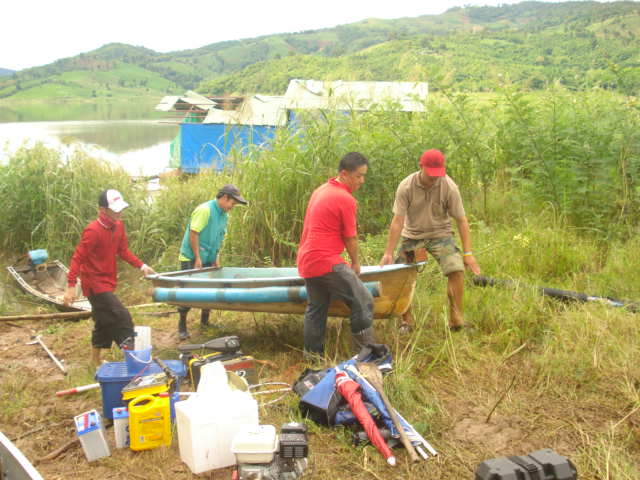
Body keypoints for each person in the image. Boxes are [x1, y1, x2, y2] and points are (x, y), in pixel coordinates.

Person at [380, 149, 481, 332]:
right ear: (421, 167)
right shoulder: (406, 186)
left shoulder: (449, 186)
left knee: (456, 270)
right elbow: (397, 222)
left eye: (437, 174)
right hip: (413, 235)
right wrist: (388, 252)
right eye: (430, 174)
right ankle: (407, 321)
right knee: (402, 273)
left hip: (441, 235)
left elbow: (461, 220)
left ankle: (456, 319)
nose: (434, 178)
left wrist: (468, 253)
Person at [63, 189, 156, 366]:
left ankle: (94, 361)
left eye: (120, 209)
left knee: (102, 321)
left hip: (108, 280)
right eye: (115, 210)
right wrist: (71, 285)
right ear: (102, 210)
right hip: (94, 285)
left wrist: (142, 266)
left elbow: (123, 251)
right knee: (122, 317)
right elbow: (78, 257)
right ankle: (133, 360)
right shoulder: (93, 231)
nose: (119, 213)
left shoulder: (118, 226)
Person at [297, 152, 376, 358]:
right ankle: (365, 357)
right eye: (358, 176)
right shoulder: (345, 198)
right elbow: (350, 237)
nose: (362, 181)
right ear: (344, 173)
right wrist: (356, 263)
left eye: (364, 176)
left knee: (317, 307)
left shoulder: (322, 189)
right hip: (325, 260)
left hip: (308, 259)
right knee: (363, 300)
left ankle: (312, 358)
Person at [177, 184, 247, 340]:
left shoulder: (224, 215)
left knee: (209, 290)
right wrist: (197, 258)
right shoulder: (205, 210)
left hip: (208, 256)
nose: (232, 207)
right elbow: (194, 233)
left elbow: (219, 237)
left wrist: (215, 256)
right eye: (232, 203)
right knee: (186, 292)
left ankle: (204, 322)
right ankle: (181, 325)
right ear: (224, 198)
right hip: (191, 256)